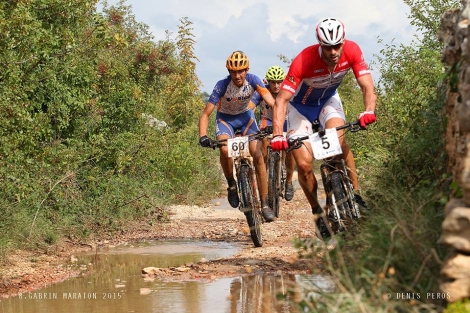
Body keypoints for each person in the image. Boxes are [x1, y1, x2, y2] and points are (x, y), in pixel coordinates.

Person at [270, 17, 377, 237]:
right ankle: (317, 212)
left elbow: (367, 86)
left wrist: (369, 110)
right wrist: (277, 134)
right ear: (320, 44)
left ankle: (356, 194)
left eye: (337, 45)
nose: (333, 52)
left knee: (338, 142)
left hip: (328, 102)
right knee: (304, 164)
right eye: (328, 47)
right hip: (299, 108)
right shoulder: (304, 60)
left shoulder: (353, 51)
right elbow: (281, 101)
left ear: (343, 42)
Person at [198, 50, 277, 222]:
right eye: (233, 71)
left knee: (257, 155)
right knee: (225, 150)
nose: (237, 75)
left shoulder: (254, 80)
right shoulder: (221, 85)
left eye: (241, 71)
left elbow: (272, 102)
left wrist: (276, 125)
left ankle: (264, 204)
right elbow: (206, 114)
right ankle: (232, 184)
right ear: (229, 72)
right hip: (225, 120)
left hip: (245, 118)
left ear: (246, 70)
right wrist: (203, 135)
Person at [253, 65, 296, 201]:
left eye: (279, 82)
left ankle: (289, 182)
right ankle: (265, 173)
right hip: (268, 120)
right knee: (264, 141)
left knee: (290, 147)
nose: (276, 85)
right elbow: (251, 105)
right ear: (268, 82)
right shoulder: (262, 91)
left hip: (285, 120)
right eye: (273, 82)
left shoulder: (289, 91)